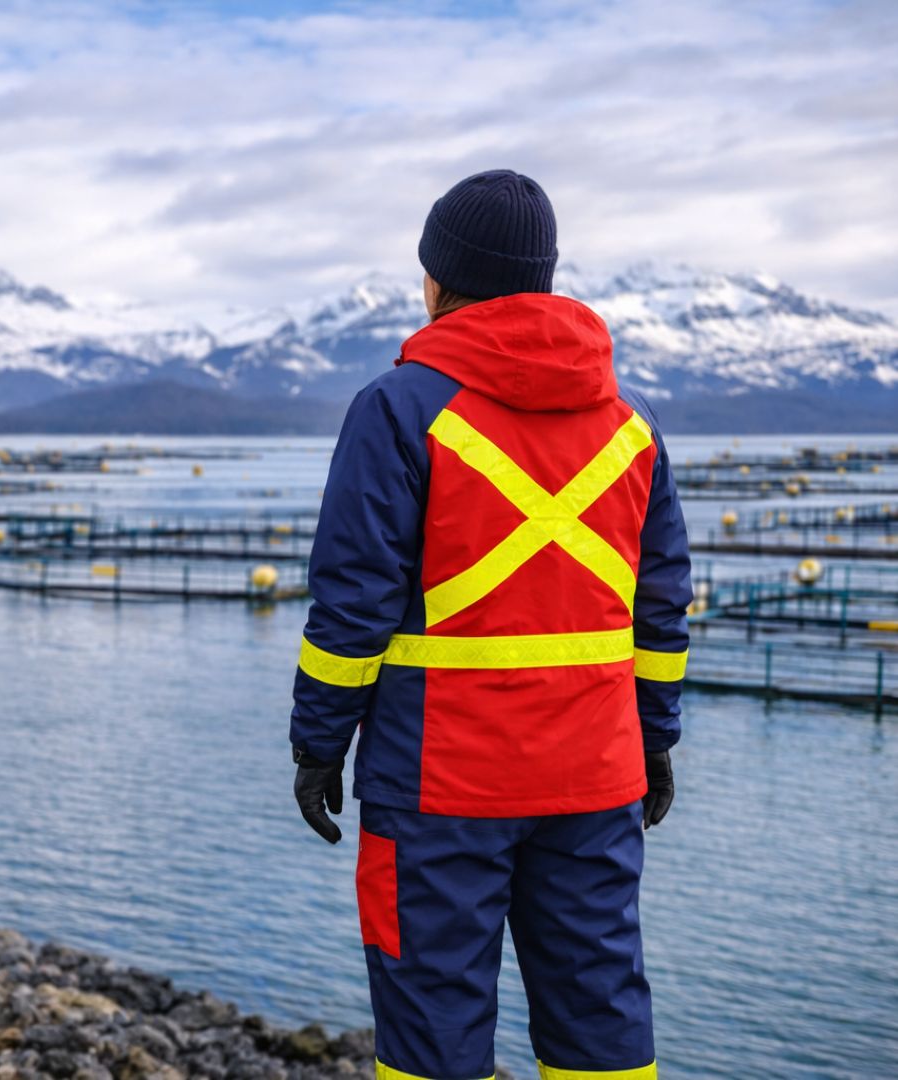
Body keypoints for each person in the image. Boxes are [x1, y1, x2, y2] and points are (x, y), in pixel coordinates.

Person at [289, 170, 689, 1080]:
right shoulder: (633, 424)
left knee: (433, 1028)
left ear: (437, 280)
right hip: (595, 777)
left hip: (439, 786)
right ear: (544, 279)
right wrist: (655, 738)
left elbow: (352, 605)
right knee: (601, 1019)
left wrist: (318, 745)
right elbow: (659, 612)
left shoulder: (397, 409)